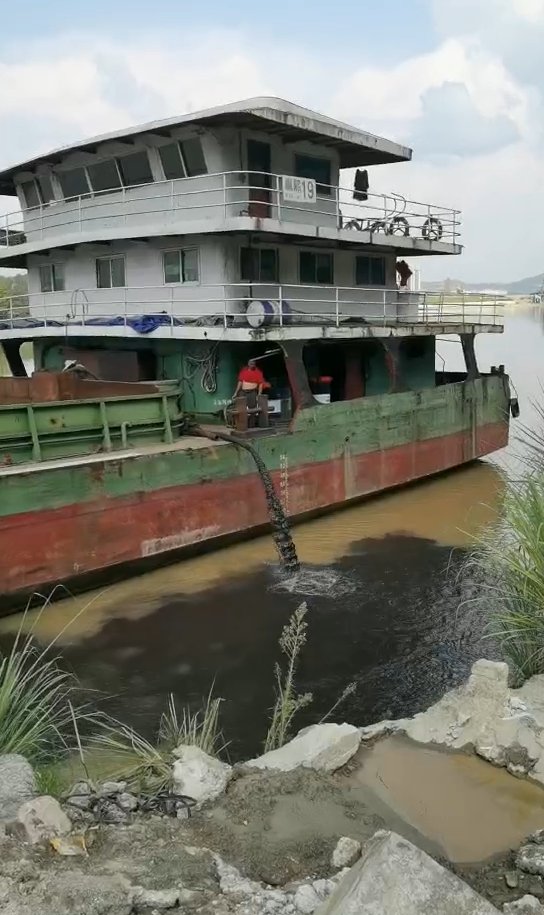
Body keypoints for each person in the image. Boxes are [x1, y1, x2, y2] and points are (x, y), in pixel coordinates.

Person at [232, 358, 266, 427]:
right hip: (243, 392)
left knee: (252, 409)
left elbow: (261, 384)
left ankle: (251, 425)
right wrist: (235, 393)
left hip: (252, 392)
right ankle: (241, 425)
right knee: (241, 409)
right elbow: (240, 382)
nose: (252, 364)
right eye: (250, 363)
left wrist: (259, 395)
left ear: (255, 364)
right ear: (248, 364)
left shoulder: (258, 372)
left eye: (253, 363)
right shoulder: (243, 372)